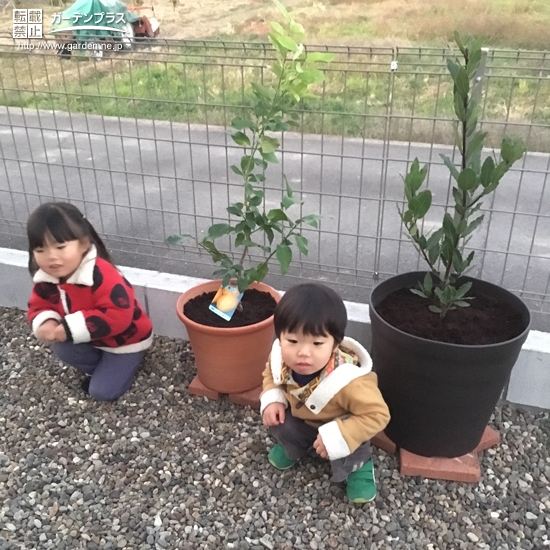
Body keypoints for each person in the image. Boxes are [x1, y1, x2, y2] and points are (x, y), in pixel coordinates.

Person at [260, 282, 390, 503]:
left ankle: (359, 468)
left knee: (354, 445)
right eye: (292, 341)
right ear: (279, 336)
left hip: (340, 425)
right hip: (303, 420)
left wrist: (341, 435)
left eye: (317, 343)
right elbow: (271, 375)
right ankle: (296, 444)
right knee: (279, 421)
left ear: (335, 344)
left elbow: (378, 415)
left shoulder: (350, 380)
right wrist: (273, 397)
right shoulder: (280, 357)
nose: (303, 352)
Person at [26, 202, 153, 401]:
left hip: (125, 341)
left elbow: (118, 316)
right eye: (40, 250)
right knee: (61, 347)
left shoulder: (102, 275)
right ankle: (106, 369)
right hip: (92, 338)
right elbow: (39, 305)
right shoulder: (47, 278)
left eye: (60, 247)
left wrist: (68, 328)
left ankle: (130, 362)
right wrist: (45, 322)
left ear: (84, 244)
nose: (51, 257)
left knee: (101, 392)